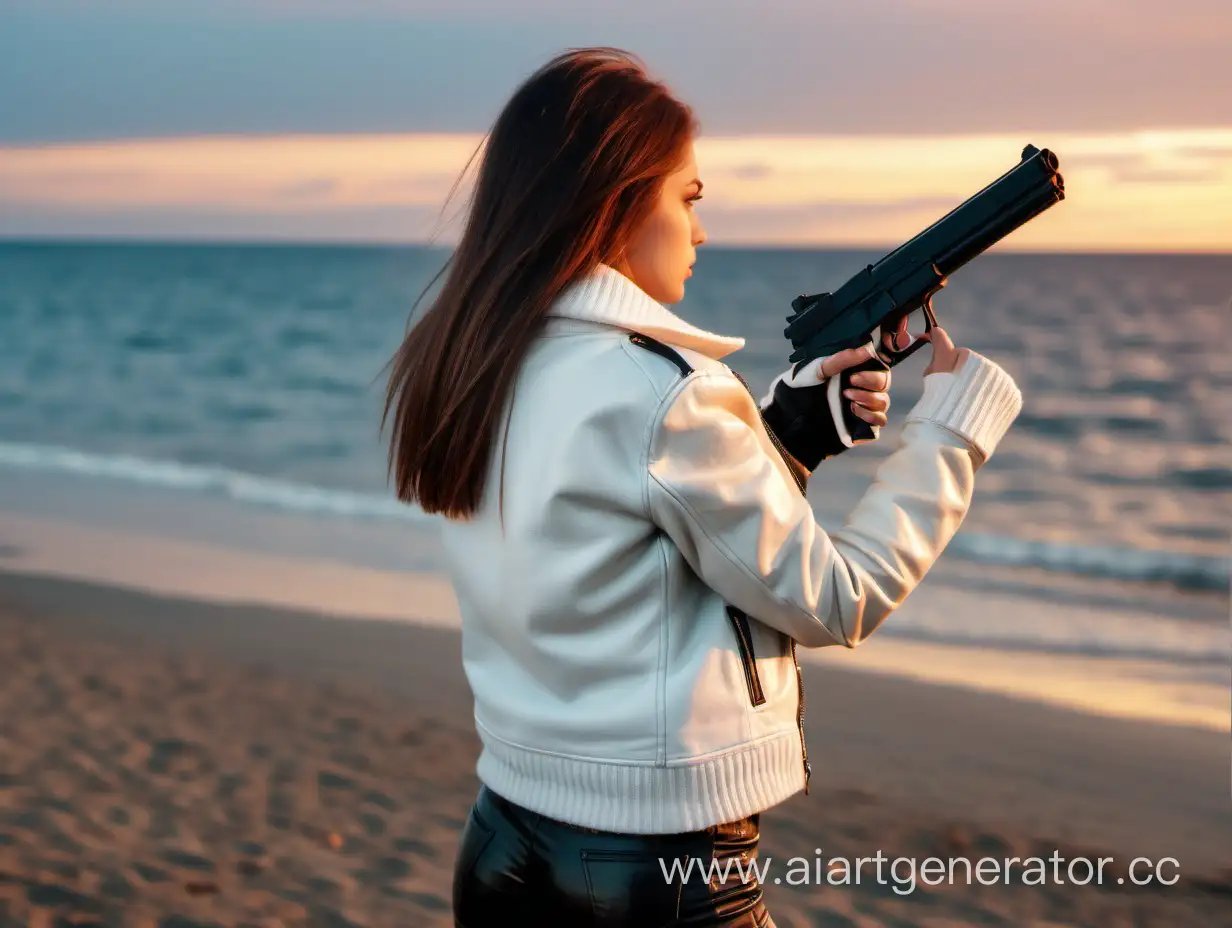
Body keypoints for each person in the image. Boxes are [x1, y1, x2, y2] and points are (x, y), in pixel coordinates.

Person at [382, 47, 1022, 928]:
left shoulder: (477, 355)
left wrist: (784, 436)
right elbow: (837, 600)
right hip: (657, 871)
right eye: (689, 198)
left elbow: (626, 530)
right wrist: (950, 430)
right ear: (613, 203)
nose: (702, 230)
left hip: (504, 837)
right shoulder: (663, 389)